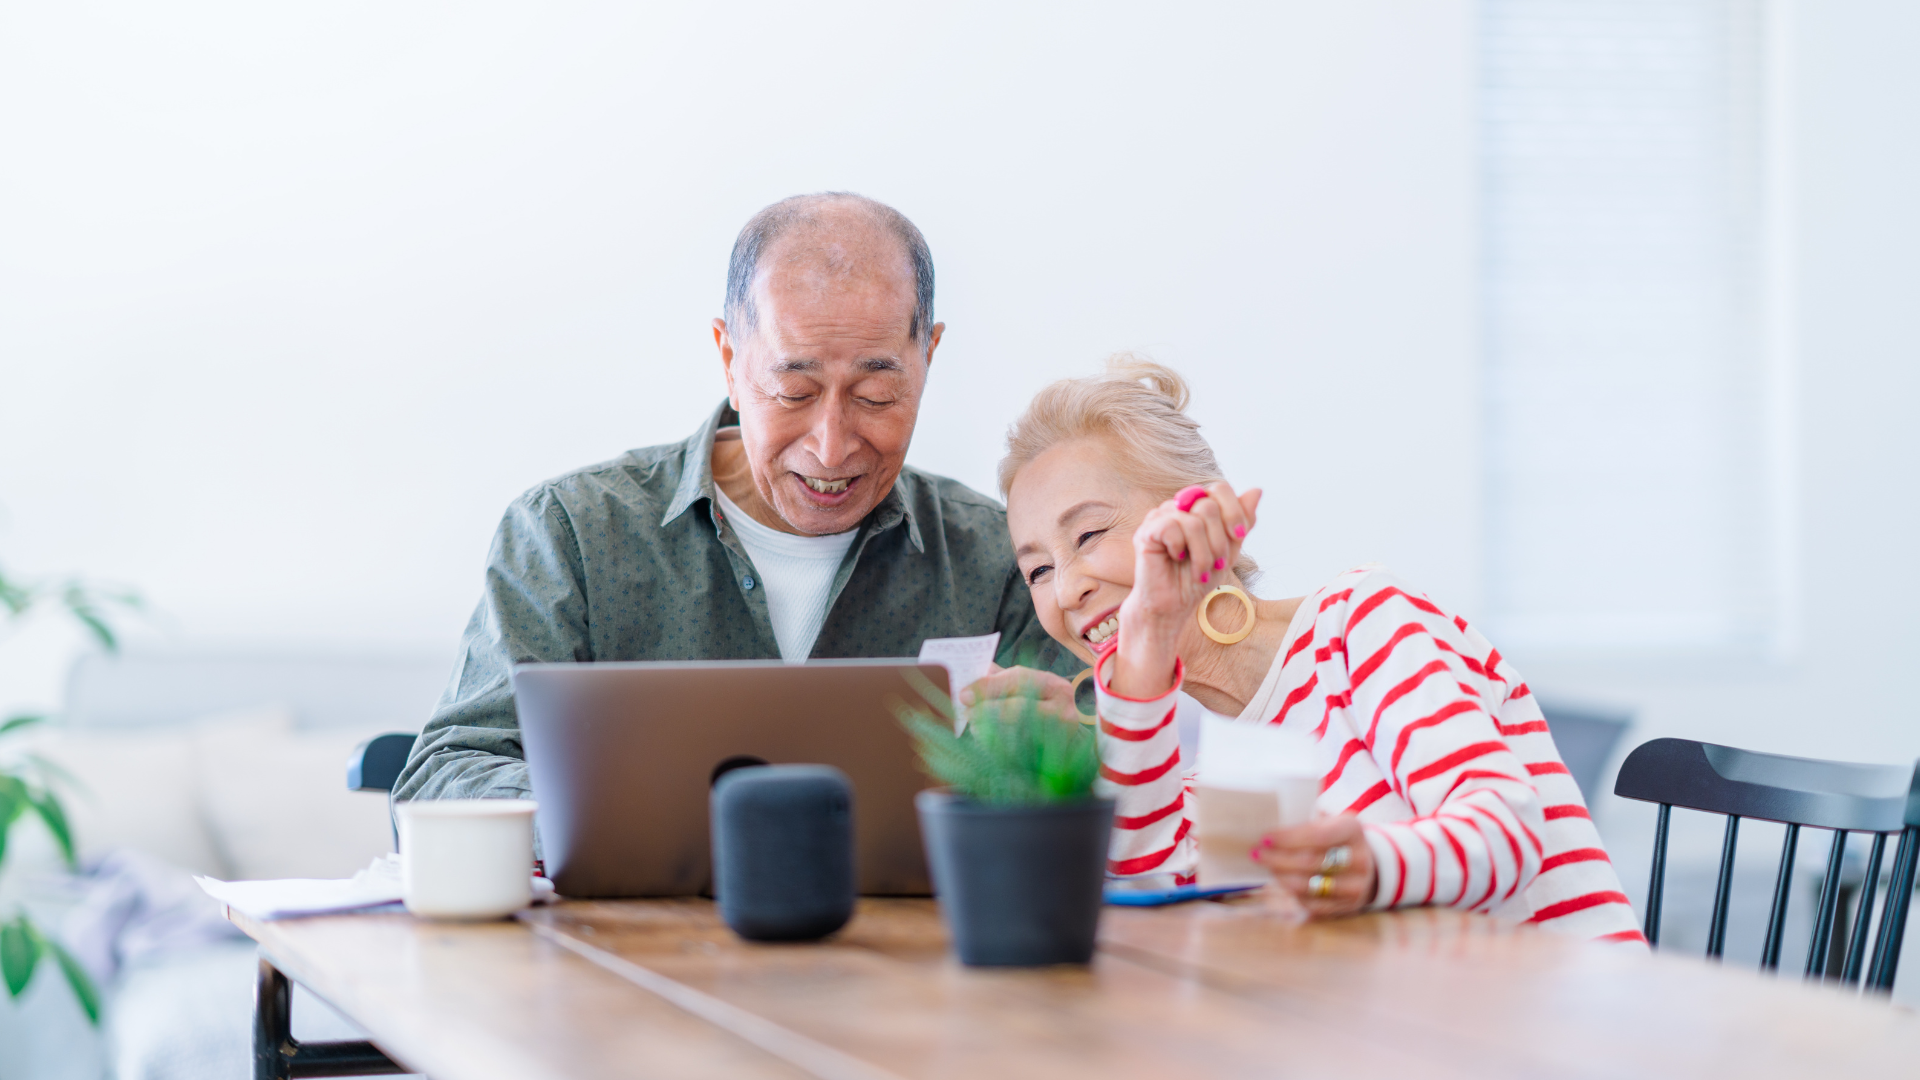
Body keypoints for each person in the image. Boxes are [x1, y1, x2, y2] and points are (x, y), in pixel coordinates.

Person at [394, 193, 1077, 804]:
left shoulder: (998, 556)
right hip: (629, 942)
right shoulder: (571, 533)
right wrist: (615, 811)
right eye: (793, 393)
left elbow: (1117, 777)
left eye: (877, 397)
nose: (832, 447)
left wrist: (1071, 756)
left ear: (928, 355)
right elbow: (446, 774)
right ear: (728, 356)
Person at [985, 357, 1643, 942]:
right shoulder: (1195, 757)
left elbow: (1508, 833)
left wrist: (1364, 866)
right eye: (1037, 570)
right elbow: (1151, 887)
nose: (1066, 589)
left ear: (1201, 516)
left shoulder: (1363, 621)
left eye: (1090, 533)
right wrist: (1132, 675)